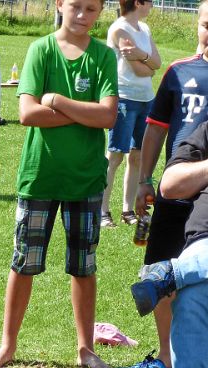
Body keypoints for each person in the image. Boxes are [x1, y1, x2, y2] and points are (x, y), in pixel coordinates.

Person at [0, 0, 118, 368]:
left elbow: (107, 116)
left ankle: (86, 348)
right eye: (75, 6)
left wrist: (56, 101)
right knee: (24, 262)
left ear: (100, 11)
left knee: (83, 267)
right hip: (39, 176)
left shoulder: (104, 56)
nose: (82, 15)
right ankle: (7, 344)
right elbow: (27, 113)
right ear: (60, 4)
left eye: (91, 9)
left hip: (86, 178)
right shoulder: (40, 49)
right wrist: (82, 112)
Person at [111, 1, 208, 368]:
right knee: (161, 272)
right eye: (206, 24)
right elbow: (155, 128)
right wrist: (144, 180)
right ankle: (167, 360)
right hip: (176, 191)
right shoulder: (179, 72)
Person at [127, 119, 208, 368]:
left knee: (185, 284)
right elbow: (171, 185)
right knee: (190, 301)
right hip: (204, 241)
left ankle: (172, 273)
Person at [100, 0, 160, 228]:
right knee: (114, 157)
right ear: (138, 3)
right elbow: (141, 69)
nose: (152, 6)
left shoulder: (144, 29)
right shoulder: (119, 29)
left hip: (146, 100)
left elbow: (157, 63)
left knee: (136, 158)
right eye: (150, 2)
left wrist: (144, 57)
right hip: (124, 100)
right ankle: (103, 210)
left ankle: (127, 210)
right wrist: (150, 63)